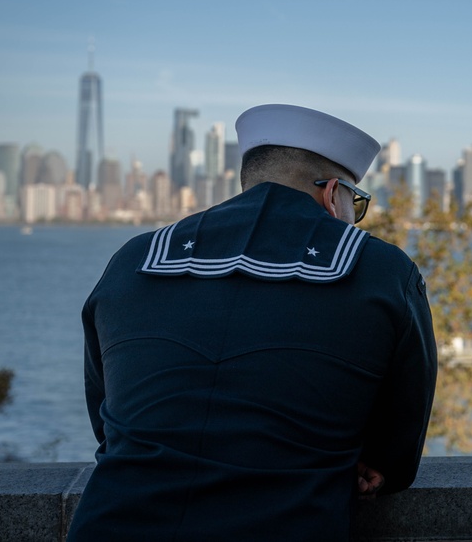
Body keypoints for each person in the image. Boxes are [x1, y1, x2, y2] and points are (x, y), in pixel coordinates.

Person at [68, 104, 438, 541]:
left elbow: (107, 422)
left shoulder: (134, 259)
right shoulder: (383, 270)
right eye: (354, 203)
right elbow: (395, 454)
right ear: (332, 193)